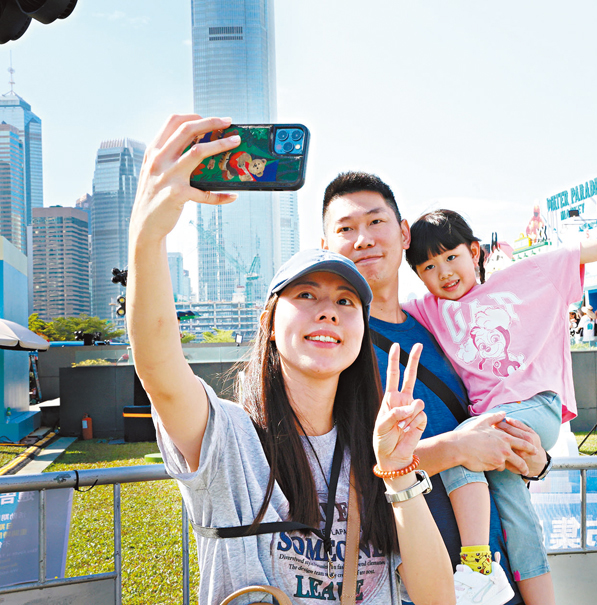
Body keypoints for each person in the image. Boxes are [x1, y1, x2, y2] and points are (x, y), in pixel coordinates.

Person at [127, 115, 453, 605]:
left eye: (346, 301)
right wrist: (148, 232)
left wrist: (398, 469)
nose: (328, 310)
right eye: (305, 295)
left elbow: (437, 598)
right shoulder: (229, 440)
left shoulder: (375, 450)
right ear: (270, 324)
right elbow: (159, 368)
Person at [402, 209, 597, 605]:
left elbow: (574, 252)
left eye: (450, 257)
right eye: (428, 266)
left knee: (461, 446)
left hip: (535, 407)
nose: (443, 272)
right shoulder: (430, 308)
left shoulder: (521, 278)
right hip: (493, 421)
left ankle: (476, 567)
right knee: (513, 506)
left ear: (474, 252)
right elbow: (375, 305)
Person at [320, 173, 547, 605]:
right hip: (410, 585)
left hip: (498, 574)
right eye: (346, 228)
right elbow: (336, 474)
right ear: (327, 245)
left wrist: (534, 460)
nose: (364, 239)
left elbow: (485, 422)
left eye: (376, 222)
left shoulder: (440, 326)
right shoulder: (332, 344)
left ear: (404, 234)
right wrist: (457, 449)